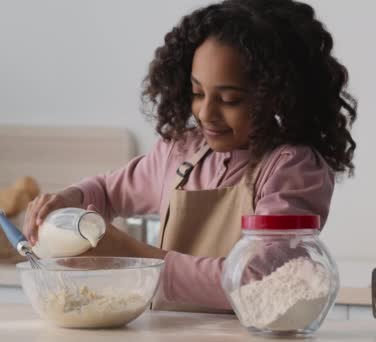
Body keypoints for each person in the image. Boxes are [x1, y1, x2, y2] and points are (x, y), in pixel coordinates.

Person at [23, 0, 357, 312]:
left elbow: (257, 280)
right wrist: (69, 199)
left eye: (229, 100)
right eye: (197, 93)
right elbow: (108, 192)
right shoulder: (181, 152)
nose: (206, 113)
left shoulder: (292, 168)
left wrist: (130, 254)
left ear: (278, 97)